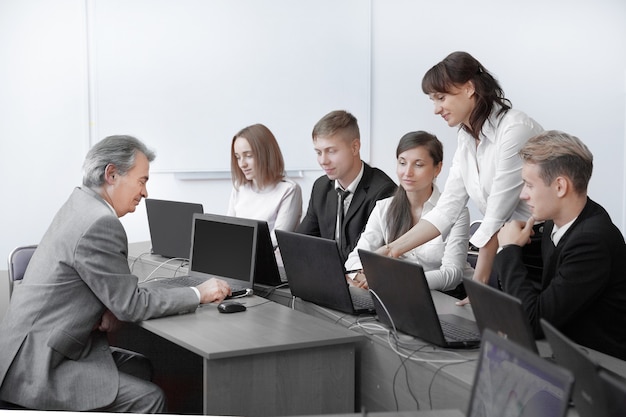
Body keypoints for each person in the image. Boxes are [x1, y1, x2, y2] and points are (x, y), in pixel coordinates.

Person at [0, 135, 232, 412]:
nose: (145, 192)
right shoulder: (101, 223)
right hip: (39, 367)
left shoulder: (80, 204)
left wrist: (107, 305)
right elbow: (131, 306)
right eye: (142, 180)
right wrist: (199, 293)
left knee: (140, 366)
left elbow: (109, 293)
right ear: (112, 174)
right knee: (151, 397)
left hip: (27, 351)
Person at [380, 51, 544, 305]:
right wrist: (392, 249)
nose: (436, 109)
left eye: (441, 98)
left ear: (469, 88)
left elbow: (495, 217)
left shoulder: (514, 129)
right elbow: (447, 209)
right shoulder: (467, 137)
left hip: (537, 251)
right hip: (505, 250)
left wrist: (479, 284)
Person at [495, 130, 626, 361]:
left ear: (560, 186)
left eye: (529, 185)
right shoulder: (556, 224)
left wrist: (509, 250)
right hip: (569, 354)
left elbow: (532, 323)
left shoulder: (592, 241)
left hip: (603, 370)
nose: (523, 195)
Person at [344, 131, 474, 293]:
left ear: (438, 168)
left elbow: (452, 274)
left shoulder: (456, 211)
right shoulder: (384, 208)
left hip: (448, 296)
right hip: (396, 295)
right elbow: (355, 258)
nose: (407, 173)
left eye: (418, 165)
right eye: (402, 163)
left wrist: (397, 281)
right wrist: (362, 276)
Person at [296, 110, 396, 262]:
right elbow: (301, 242)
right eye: (318, 152)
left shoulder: (383, 191)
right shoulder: (321, 187)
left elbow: (365, 254)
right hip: (326, 275)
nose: (323, 161)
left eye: (331, 151)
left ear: (355, 147)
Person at [227, 123, 302, 247]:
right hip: (239, 256)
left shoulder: (288, 189)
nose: (242, 164)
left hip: (269, 262)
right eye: (238, 157)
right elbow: (228, 228)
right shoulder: (239, 187)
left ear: (266, 155)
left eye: (248, 156)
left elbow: (275, 240)